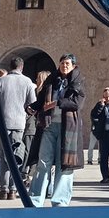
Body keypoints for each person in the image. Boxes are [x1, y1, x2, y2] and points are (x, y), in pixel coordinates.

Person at [28, 54, 85, 207]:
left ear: (73, 65)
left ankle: (60, 201)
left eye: (67, 63)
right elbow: (41, 100)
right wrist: (32, 107)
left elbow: (77, 103)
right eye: (62, 63)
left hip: (68, 128)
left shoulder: (77, 81)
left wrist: (57, 103)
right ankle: (35, 200)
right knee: (43, 161)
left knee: (64, 164)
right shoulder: (52, 80)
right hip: (49, 125)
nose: (64, 66)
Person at [0, 56, 36, 199]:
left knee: (3, 155)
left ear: (10, 66)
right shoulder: (27, 82)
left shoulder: (1, 81)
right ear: (22, 67)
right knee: (16, 156)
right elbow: (32, 104)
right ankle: (13, 188)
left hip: (3, 123)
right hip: (19, 123)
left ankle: (3, 189)